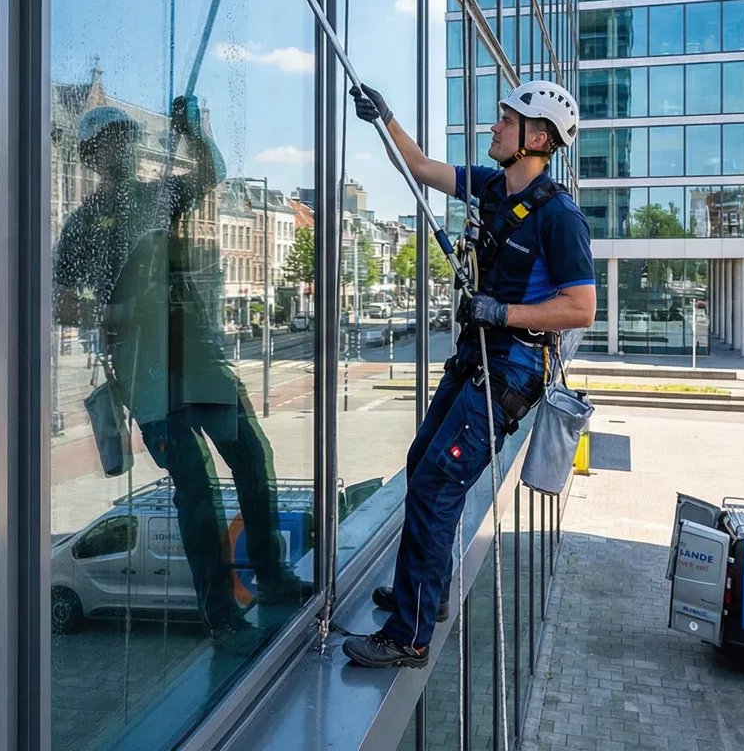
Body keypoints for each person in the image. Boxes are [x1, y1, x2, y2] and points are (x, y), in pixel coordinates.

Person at [340, 79, 595, 669]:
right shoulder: (492, 187)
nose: (493, 128)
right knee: (420, 463)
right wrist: (385, 118)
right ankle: (424, 594)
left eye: (505, 122)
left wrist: (501, 311)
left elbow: (581, 308)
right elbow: (421, 167)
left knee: (437, 484)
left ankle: (409, 635)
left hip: (511, 368)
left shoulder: (559, 218)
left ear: (537, 139)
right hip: (474, 357)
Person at [52, 98, 308, 652]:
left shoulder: (155, 196)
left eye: (125, 138)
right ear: (94, 157)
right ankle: (220, 614)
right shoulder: (84, 225)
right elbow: (59, 301)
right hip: (145, 367)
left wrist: (191, 130)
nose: (120, 149)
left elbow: (211, 171)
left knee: (252, 458)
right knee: (196, 488)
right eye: (109, 143)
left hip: (197, 355)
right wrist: (112, 312)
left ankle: (272, 577)